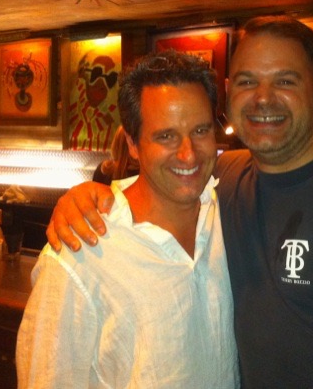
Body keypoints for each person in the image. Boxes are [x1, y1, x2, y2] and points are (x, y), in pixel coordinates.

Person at [47, 16, 313, 388]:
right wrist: (93, 195)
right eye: (248, 81)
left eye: (285, 81)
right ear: (230, 93)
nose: (264, 98)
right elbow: (168, 173)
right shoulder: (227, 179)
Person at [16, 50, 239, 388]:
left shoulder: (227, 212)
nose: (188, 153)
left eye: (200, 130)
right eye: (165, 136)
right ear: (132, 144)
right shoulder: (80, 252)